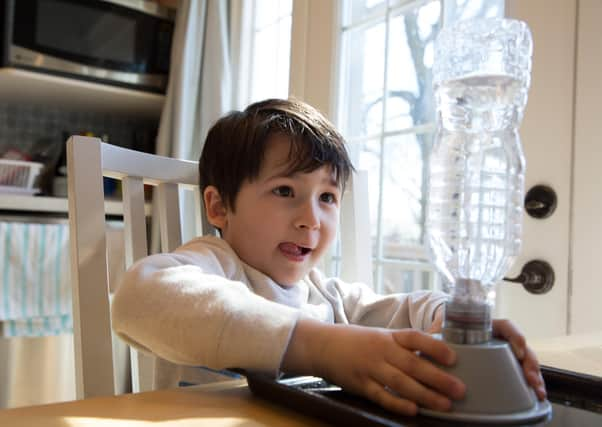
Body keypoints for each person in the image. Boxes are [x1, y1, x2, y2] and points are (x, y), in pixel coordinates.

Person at [112, 98, 546, 416]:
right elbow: (137, 298)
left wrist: (454, 318)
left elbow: (406, 310)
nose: (311, 219)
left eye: (327, 197)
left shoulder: (328, 295)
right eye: (285, 191)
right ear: (219, 207)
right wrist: (318, 346)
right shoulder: (214, 264)